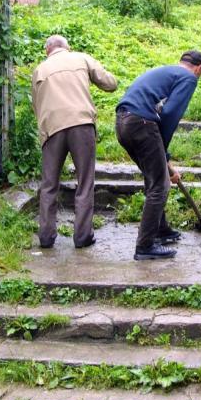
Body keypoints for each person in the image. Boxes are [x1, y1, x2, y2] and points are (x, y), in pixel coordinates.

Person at [115, 50, 201, 260]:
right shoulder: (188, 78)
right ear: (199, 69)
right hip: (142, 123)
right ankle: (145, 246)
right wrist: (163, 155)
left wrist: (163, 161)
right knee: (161, 184)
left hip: (123, 122)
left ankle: (161, 229)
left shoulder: (167, 71)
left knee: (154, 177)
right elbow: (169, 114)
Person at [32, 35, 118, 249]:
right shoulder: (81, 58)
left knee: (49, 184)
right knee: (85, 181)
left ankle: (45, 236)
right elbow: (110, 84)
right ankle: (82, 236)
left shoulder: (39, 70)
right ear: (67, 47)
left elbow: (36, 105)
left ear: (47, 51)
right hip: (81, 124)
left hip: (52, 128)